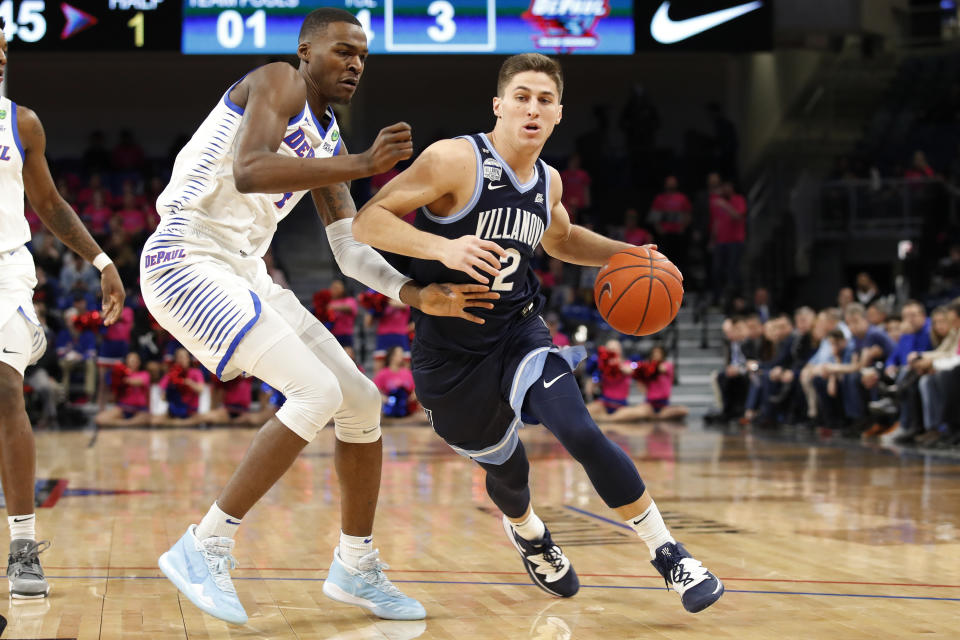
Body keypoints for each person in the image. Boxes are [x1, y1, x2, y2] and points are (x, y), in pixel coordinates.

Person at [141, 8, 496, 625]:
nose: (355, 63)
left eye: (363, 56)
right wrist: (362, 165)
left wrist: (414, 293)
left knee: (359, 401)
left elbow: (349, 249)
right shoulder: (277, 81)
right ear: (306, 51)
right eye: (342, 51)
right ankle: (205, 545)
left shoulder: (328, 139)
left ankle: (355, 565)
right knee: (316, 390)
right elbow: (250, 169)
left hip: (244, 268)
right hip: (184, 256)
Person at [353, 53, 723, 613]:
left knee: (580, 430)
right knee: (510, 474)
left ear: (557, 115)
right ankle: (528, 533)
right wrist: (444, 247)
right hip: (449, 353)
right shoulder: (455, 159)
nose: (532, 107)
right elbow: (368, 221)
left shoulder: (546, 180)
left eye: (544, 100)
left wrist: (632, 255)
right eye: (521, 96)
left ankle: (667, 553)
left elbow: (562, 240)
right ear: (498, 106)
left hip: (518, 330)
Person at [0, 21, 125, 599]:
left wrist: (101, 260)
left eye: (3, 49)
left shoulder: (20, 122)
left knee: (4, 391)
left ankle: (22, 545)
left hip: (4, 267)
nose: (1, 58)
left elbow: (48, 202)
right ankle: (29, 336)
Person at [94, 352, 152, 428]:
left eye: (135, 360)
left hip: (139, 410)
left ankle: (123, 423)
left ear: (139, 362)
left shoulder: (145, 374)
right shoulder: (120, 373)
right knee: (99, 419)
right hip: (123, 408)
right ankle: (127, 424)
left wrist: (123, 379)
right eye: (131, 360)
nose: (133, 362)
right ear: (127, 361)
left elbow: (139, 382)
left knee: (147, 418)